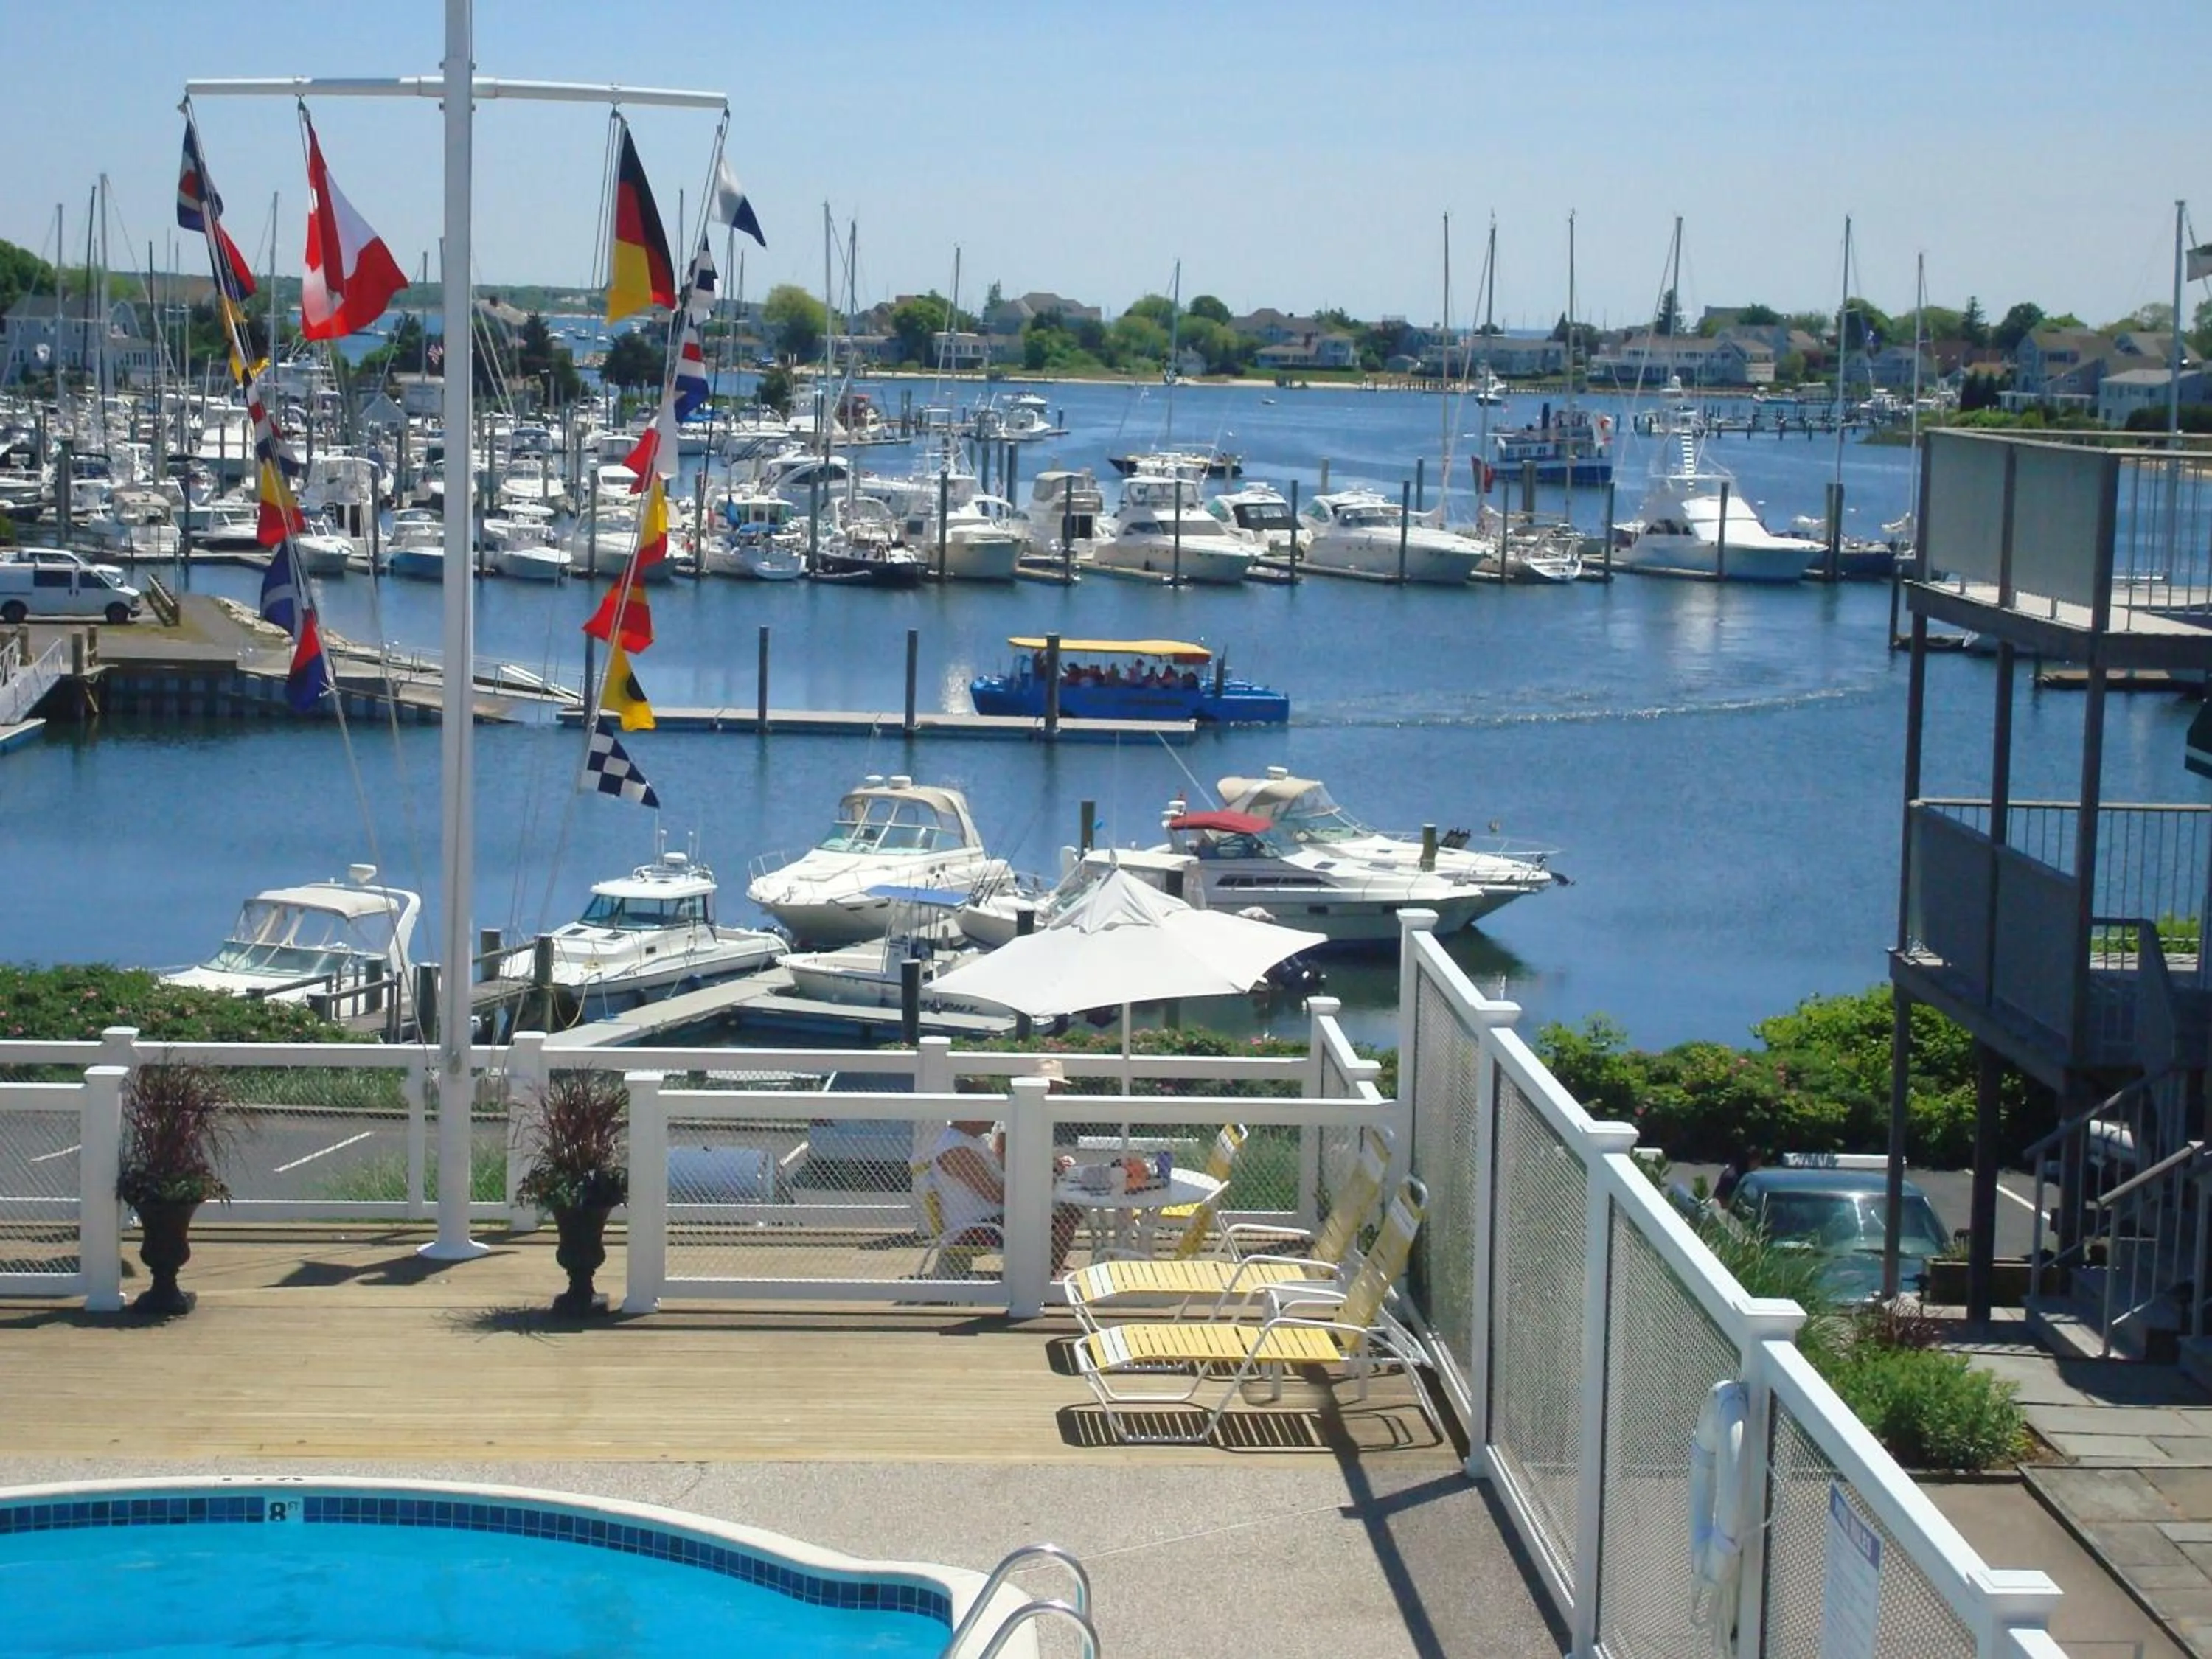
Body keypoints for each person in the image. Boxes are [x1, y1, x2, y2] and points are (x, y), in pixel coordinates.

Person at [928, 1118, 1079, 1276]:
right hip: (973, 1227)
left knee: (1067, 1214)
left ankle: (1043, 1279)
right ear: (972, 1116)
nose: (994, 1117)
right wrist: (1040, 1182)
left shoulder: (973, 1141)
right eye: (989, 1110)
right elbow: (997, 1194)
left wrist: (1046, 1168)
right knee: (1062, 1222)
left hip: (994, 1219)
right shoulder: (956, 1148)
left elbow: (1002, 1174)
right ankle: (1042, 1283)